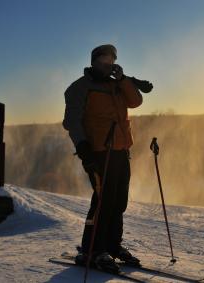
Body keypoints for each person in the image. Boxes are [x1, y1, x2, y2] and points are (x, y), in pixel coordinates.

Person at [62, 44, 148, 272]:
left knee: (119, 201)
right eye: (103, 61)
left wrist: (124, 81)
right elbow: (72, 120)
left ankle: (112, 245)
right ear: (93, 62)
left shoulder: (116, 84)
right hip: (98, 152)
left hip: (120, 150)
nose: (107, 65)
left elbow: (136, 102)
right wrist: (82, 147)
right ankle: (92, 249)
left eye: (111, 61)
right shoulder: (80, 88)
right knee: (103, 201)